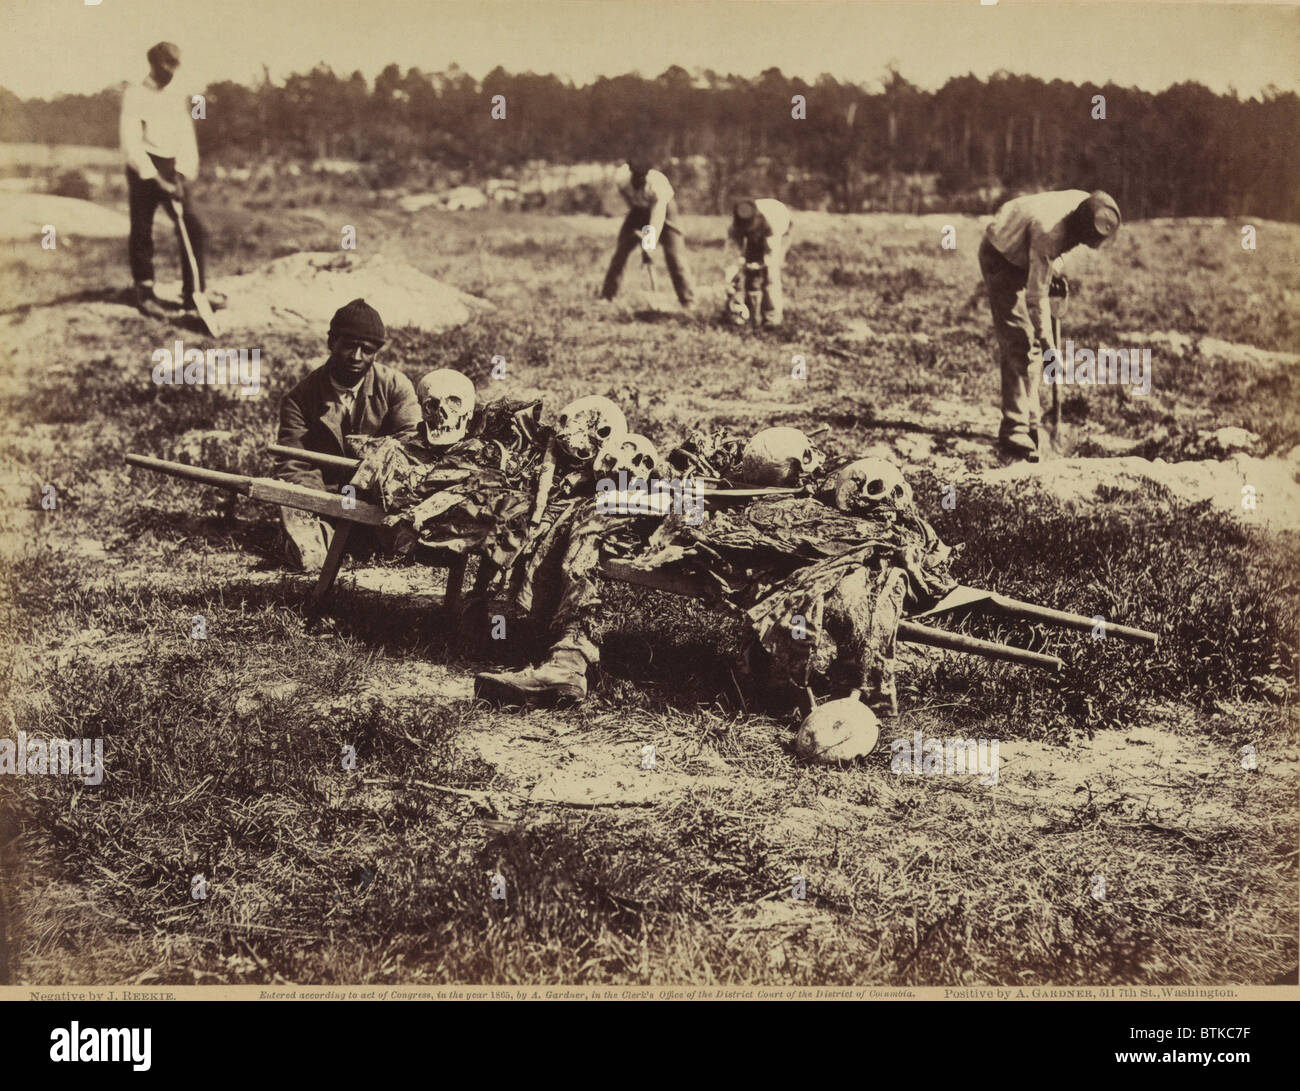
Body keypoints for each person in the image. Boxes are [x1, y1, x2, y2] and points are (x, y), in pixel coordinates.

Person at [274, 299, 421, 570]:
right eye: (348, 345)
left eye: (367, 349)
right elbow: (292, 464)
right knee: (306, 546)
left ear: (377, 352)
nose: (356, 357)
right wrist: (331, 506)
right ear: (332, 343)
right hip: (326, 498)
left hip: (379, 497)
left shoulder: (395, 387)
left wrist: (374, 488)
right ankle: (325, 538)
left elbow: (413, 445)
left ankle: (364, 539)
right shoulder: (300, 398)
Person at [979, 189, 1121, 461]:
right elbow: (1036, 297)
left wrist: (1055, 270)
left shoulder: (1088, 203)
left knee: (1028, 345)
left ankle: (1032, 422)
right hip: (1001, 255)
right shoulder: (1049, 232)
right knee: (1020, 341)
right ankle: (1016, 428)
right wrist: (1049, 345)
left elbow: (1058, 249)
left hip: (1029, 248)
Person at [119, 42, 210, 319]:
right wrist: (156, 179)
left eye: (176, 64)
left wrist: (181, 176)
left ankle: (193, 294)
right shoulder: (135, 94)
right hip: (144, 168)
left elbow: (186, 139)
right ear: (154, 63)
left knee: (194, 227)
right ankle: (145, 292)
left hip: (173, 168)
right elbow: (130, 142)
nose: (172, 70)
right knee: (142, 230)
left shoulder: (176, 96)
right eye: (167, 64)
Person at [600, 157, 695, 308]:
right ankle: (607, 296)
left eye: (643, 176)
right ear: (630, 171)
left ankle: (688, 301)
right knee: (620, 252)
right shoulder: (621, 178)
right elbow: (623, 200)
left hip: (665, 213)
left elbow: (657, 217)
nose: (640, 180)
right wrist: (636, 223)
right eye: (637, 175)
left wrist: (648, 246)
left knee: (675, 256)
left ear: (648, 173)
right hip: (637, 211)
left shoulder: (657, 184)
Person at [726, 198, 793, 326]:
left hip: (779, 231)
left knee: (770, 277)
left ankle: (772, 319)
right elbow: (731, 255)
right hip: (761, 233)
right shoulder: (735, 227)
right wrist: (730, 279)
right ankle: (751, 317)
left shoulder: (772, 223)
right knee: (751, 277)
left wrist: (760, 264)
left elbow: (771, 255)